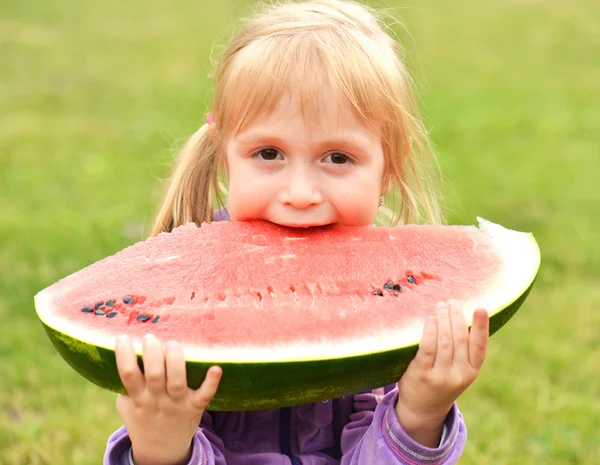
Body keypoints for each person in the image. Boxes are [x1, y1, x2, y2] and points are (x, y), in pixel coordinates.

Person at [103, 1, 490, 464]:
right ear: (225, 155)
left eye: (338, 158)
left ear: (388, 170)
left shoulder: (390, 295)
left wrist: (419, 417)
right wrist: (162, 447)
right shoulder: (181, 291)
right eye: (269, 153)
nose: (301, 193)